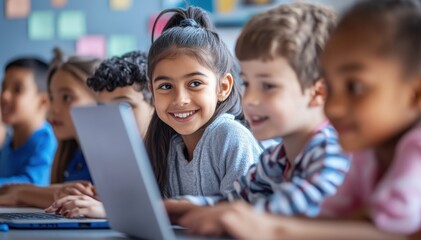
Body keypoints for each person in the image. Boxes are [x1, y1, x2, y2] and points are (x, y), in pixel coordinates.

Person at [173, 0, 421, 239]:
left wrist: (259, 223)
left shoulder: (346, 149)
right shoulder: (285, 156)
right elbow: (334, 215)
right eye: (247, 83)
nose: (336, 106)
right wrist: (185, 206)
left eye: (354, 87)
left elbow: (382, 225)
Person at [47, 6, 261, 219]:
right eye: (166, 86)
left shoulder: (230, 136)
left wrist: (117, 212)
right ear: (153, 92)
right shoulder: (170, 145)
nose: (180, 99)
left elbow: (240, 217)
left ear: (223, 87)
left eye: (195, 83)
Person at [165, 1, 349, 225]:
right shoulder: (276, 158)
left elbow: (302, 206)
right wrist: (183, 207)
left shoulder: (332, 150)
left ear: (317, 92)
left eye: (268, 86)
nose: (250, 99)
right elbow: (236, 200)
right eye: (247, 83)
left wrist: (227, 216)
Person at [44, 51, 154, 218]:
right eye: (103, 108)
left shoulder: (168, 154)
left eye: (125, 106)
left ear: (156, 106)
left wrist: (113, 211)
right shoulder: (117, 155)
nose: (112, 117)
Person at [0, 49, 101, 208]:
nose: (53, 108)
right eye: (52, 98)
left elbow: (81, 197)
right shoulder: (69, 151)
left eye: (67, 97)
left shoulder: (47, 140)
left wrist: (20, 193)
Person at [0, 56, 57, 187]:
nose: (4, 96)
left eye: (17, 89)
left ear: (43, 101)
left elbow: (32, 185)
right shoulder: (8, 142)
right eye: (3, 87)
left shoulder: (47, 141)